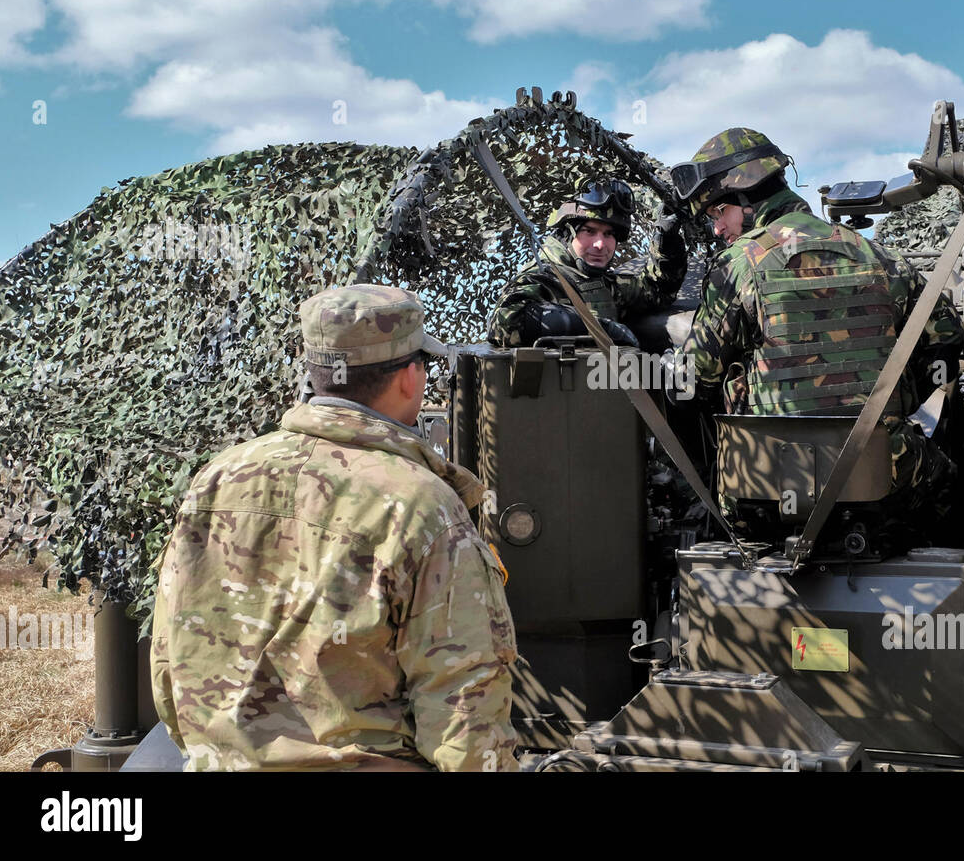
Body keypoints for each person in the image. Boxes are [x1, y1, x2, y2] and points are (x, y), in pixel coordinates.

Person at [151, 284, 519, 771]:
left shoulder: (218, 477)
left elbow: (168, 659)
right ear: (410, 378)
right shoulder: (420, 505)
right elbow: (465, 708)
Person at [672, 127, 964, 525]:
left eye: (717, 213)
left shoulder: (736, 266)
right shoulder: (880, 256)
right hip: (888, 482)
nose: (717, 229)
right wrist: (895, 398)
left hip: (769, 492)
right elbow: (946, 340)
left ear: (744, 198)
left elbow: (692, 383)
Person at [487, 177, 686, 347]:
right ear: (567, 234)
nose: (600, 244)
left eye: (608, 234)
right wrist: (599, 328)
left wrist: (666, 240)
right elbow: (505, 321)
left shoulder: (604, 284)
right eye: (589, 231)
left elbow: (658, 291)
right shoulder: (543, 279)